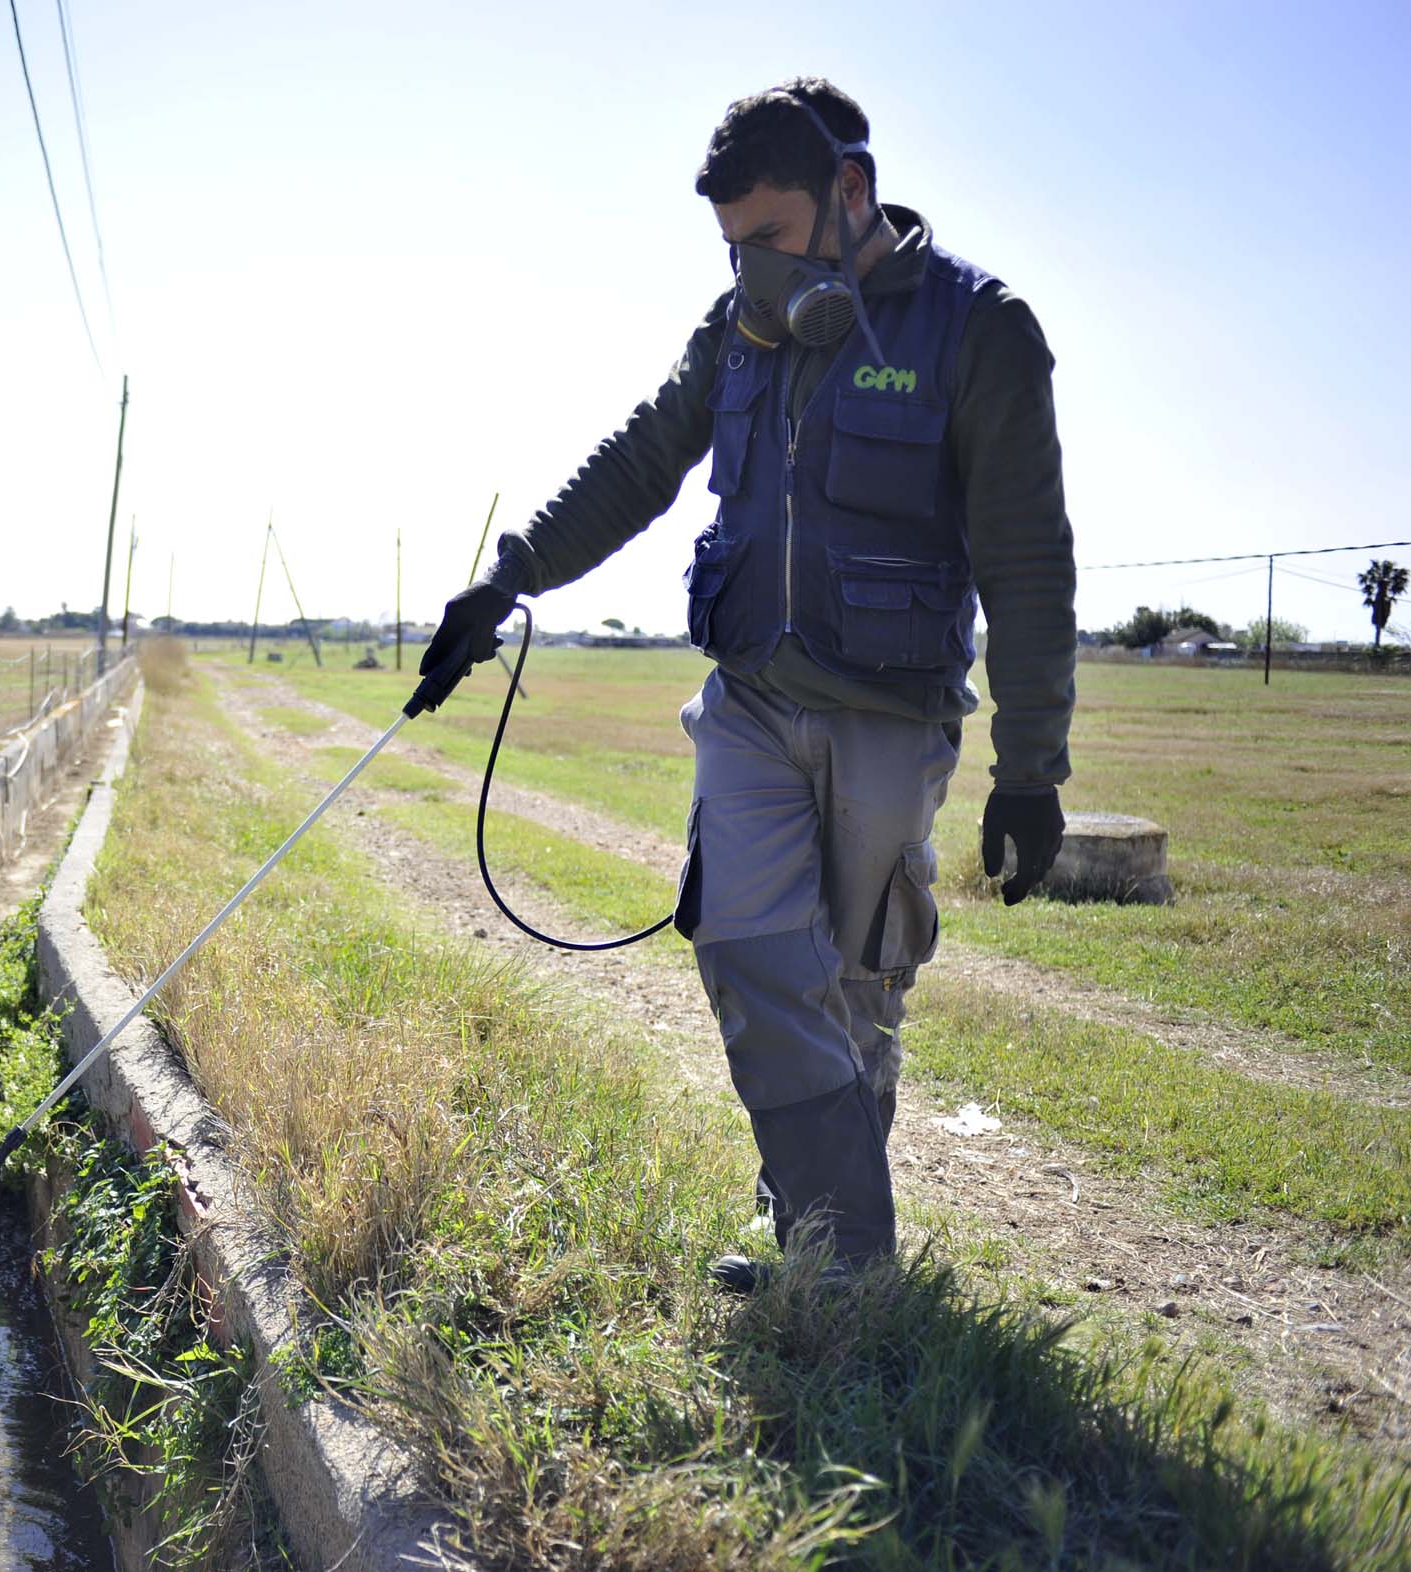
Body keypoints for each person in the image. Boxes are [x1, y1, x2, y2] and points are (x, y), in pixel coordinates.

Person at [414, 78, 1076, 1291]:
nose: (750, 271)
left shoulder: (976, 331)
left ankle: (817, 1243)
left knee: (858, 988)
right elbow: (637, 464)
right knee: (749, 943)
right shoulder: (734, 336)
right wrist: (507, 578)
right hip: (752, 704)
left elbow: (1029, 562)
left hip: (891, 715)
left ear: (850, 193)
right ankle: (845, 1267)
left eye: (767, 238)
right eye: (730, 248)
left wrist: (1030, 772)